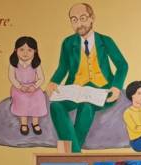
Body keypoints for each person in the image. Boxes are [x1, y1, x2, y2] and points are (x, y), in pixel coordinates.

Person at [47, 3, 129, 153]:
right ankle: (75, 153)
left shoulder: (105, 40)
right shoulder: (68, 42)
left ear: (92, 18)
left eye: (83, 18)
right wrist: (53, 81)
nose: (79, 24)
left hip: (102, 89)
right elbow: (63, 67)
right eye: (74, 20)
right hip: (75, 89)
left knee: (86, 106)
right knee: (55, 106)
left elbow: (122, 65)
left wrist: (116, 87)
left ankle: (70, 153)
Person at [8, 36, 47, 135]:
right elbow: (12, 77)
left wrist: (34, 86)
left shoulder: (36, 64)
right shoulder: (14, 64)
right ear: (16, 50)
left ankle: (35, 123)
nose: (25, 53)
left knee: (38, 98)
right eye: (21, 50)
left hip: (33, 87)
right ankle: (24, 123)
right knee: (22, 101)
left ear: (35, 51)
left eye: (29, 50)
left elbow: (41, 78)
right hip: (19, 88)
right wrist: (20, 86)